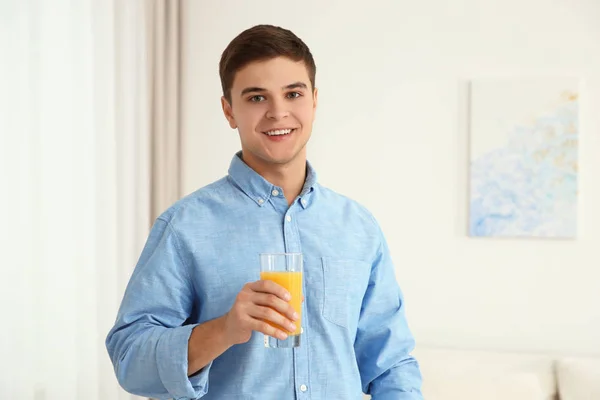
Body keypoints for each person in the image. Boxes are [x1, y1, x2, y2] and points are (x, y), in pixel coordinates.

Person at [105, 24, 423, 400]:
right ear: (229, 111)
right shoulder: (184, 226)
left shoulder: (357, 227)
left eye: (293, 93)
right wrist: (223, 330)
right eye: (257, 98)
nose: (278, 112)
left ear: (314, 101)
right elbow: (129, 360)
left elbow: (390, 364)